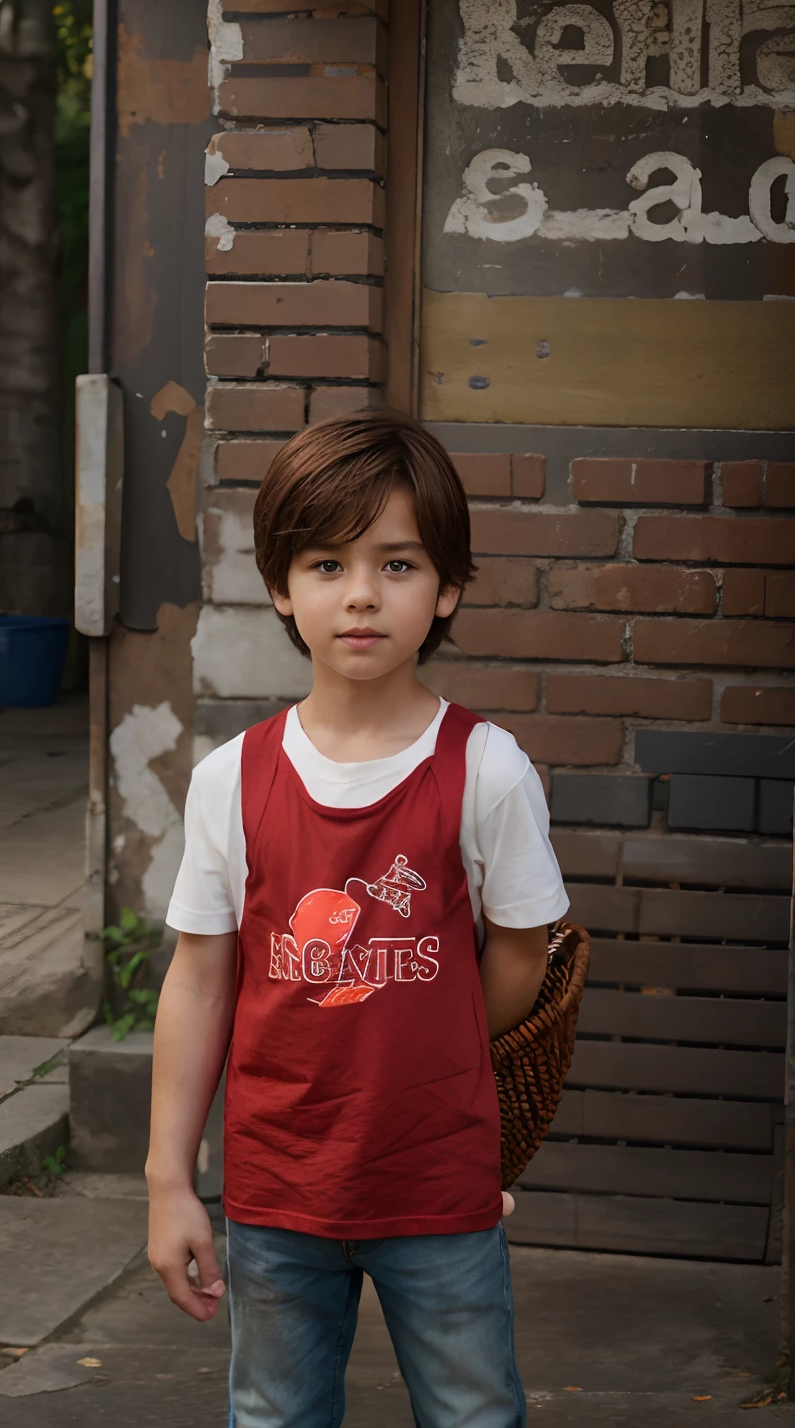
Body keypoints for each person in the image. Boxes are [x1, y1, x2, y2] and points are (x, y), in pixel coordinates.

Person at [146, 409, 569, 1428]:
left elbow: (519, 953)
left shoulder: (487, 771)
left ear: (449, 584)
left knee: (475, 1414)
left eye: (399, 562)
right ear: (284, 588)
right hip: (275, 1195)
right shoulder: (229, 782)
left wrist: (439, 1044)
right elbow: (201, 980)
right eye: (328, 564)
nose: (363, 595)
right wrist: (169, 1179)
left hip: (438, 1188)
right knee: (276, 1415)